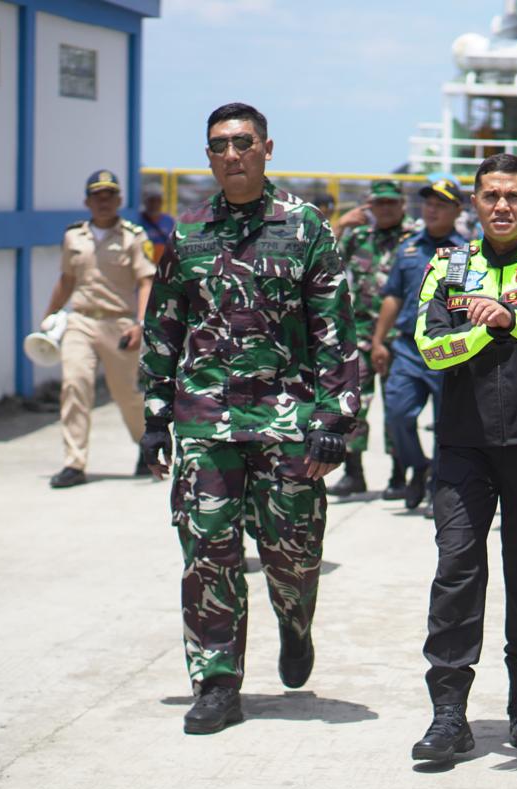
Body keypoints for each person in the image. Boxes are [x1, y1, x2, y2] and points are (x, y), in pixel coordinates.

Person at [139, 102, 358, 735]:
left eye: (242, 142)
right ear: (208, 158)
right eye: (218, 146)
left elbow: (334, 330)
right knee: (208, 553)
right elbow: (164, 329)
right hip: (206, 423)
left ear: (266, 148)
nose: (231, 154)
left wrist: (334, 420)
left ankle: (295, 622)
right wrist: (156, 416)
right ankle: (215, 683)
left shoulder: (306, 227)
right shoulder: (188, 235)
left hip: (288, 422)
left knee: (293, 553)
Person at [410, 153, 517, 765]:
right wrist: (486, 329)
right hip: (464, 446)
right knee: (456, 570)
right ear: (475, 203)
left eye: (514, 195)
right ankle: (449, 714)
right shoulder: (446, 267)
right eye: (490, 195)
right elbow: (430, 347)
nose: (502, 205)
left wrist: (512, 317)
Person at [41, 169, 156, 489]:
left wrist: (141, 324)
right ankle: (74, 463)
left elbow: (146, 281)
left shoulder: (134, 237)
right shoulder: (73, 237)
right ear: (87, 201)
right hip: (80, 321)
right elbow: (66, 281)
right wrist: (48, 317)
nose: (103, 202)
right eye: (97, 196)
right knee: (74, 385)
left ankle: (145, 447)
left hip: (119, 324)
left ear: (119, 200)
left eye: (110, 195)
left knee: (126, 395)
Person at [371, 176, 467, 515]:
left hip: (447, 348)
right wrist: (379, 341)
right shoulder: (408, 248)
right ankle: (419, 464)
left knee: (446, 424)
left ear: (458, 210)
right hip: (408, 349)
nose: (432, 209)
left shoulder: (464, 251)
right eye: (428, 202)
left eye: (441, 204)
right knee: (397, 413)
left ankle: (437, 484)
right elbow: (393, 295)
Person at [331, 180, 416, 499]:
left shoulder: (413, 237)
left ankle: (399, 474)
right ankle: (354, 473)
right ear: (369, 205)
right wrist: (339, 227)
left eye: (391, 203)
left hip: (400, 337)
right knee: (354, 406)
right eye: (379, 204)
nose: (385, 209)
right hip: (361, 335)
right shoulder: (358, 235)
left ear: (402, 205)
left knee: (398, 407)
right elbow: (326, 263)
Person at [138, 191, 175, 263]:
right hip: (143, 263)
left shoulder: (169, 220)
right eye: (151, 201)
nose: (155, 204)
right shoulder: (137, 219)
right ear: (145, 202)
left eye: (158, 201)